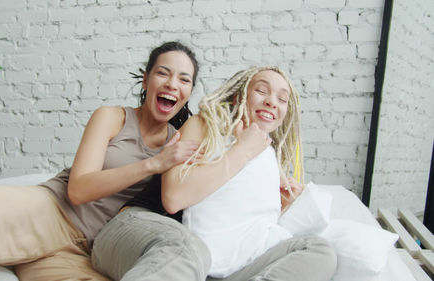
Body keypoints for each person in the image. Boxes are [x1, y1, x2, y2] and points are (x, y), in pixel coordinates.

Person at [0, 41, 200, 281]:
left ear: (189, 92)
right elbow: (78, 190)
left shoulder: (179, 144)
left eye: (184, 79)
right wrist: (153, 164)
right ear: (145, 80)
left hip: (87, 251)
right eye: (163, 73)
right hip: (52, 211)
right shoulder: (112, 117)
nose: (172, 84)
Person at [91, 66, 337, 281]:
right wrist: (242, 150)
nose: (272, 101)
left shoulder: (268, 156)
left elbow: (238, 216)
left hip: (208, 264)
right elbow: (174, 198)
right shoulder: (206, 124)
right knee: (188, 247)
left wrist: (288, 203)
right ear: (239, 96)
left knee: (320, 250)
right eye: (262, 91)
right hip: (145, 225)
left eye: (282, 99)